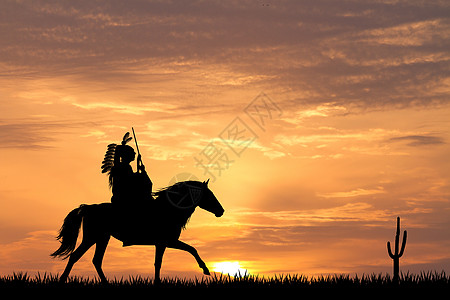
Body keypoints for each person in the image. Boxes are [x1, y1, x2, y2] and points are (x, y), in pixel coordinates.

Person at [101, 132, 153, 242]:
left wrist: (140, 170)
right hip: (123, 199)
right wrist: (141, 173)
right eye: (132, 153)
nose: (134, 153)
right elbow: (130, 181)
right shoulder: (122, 167)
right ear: (127, 155)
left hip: (124, 197)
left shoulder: (125, 166)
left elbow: (132, 179)